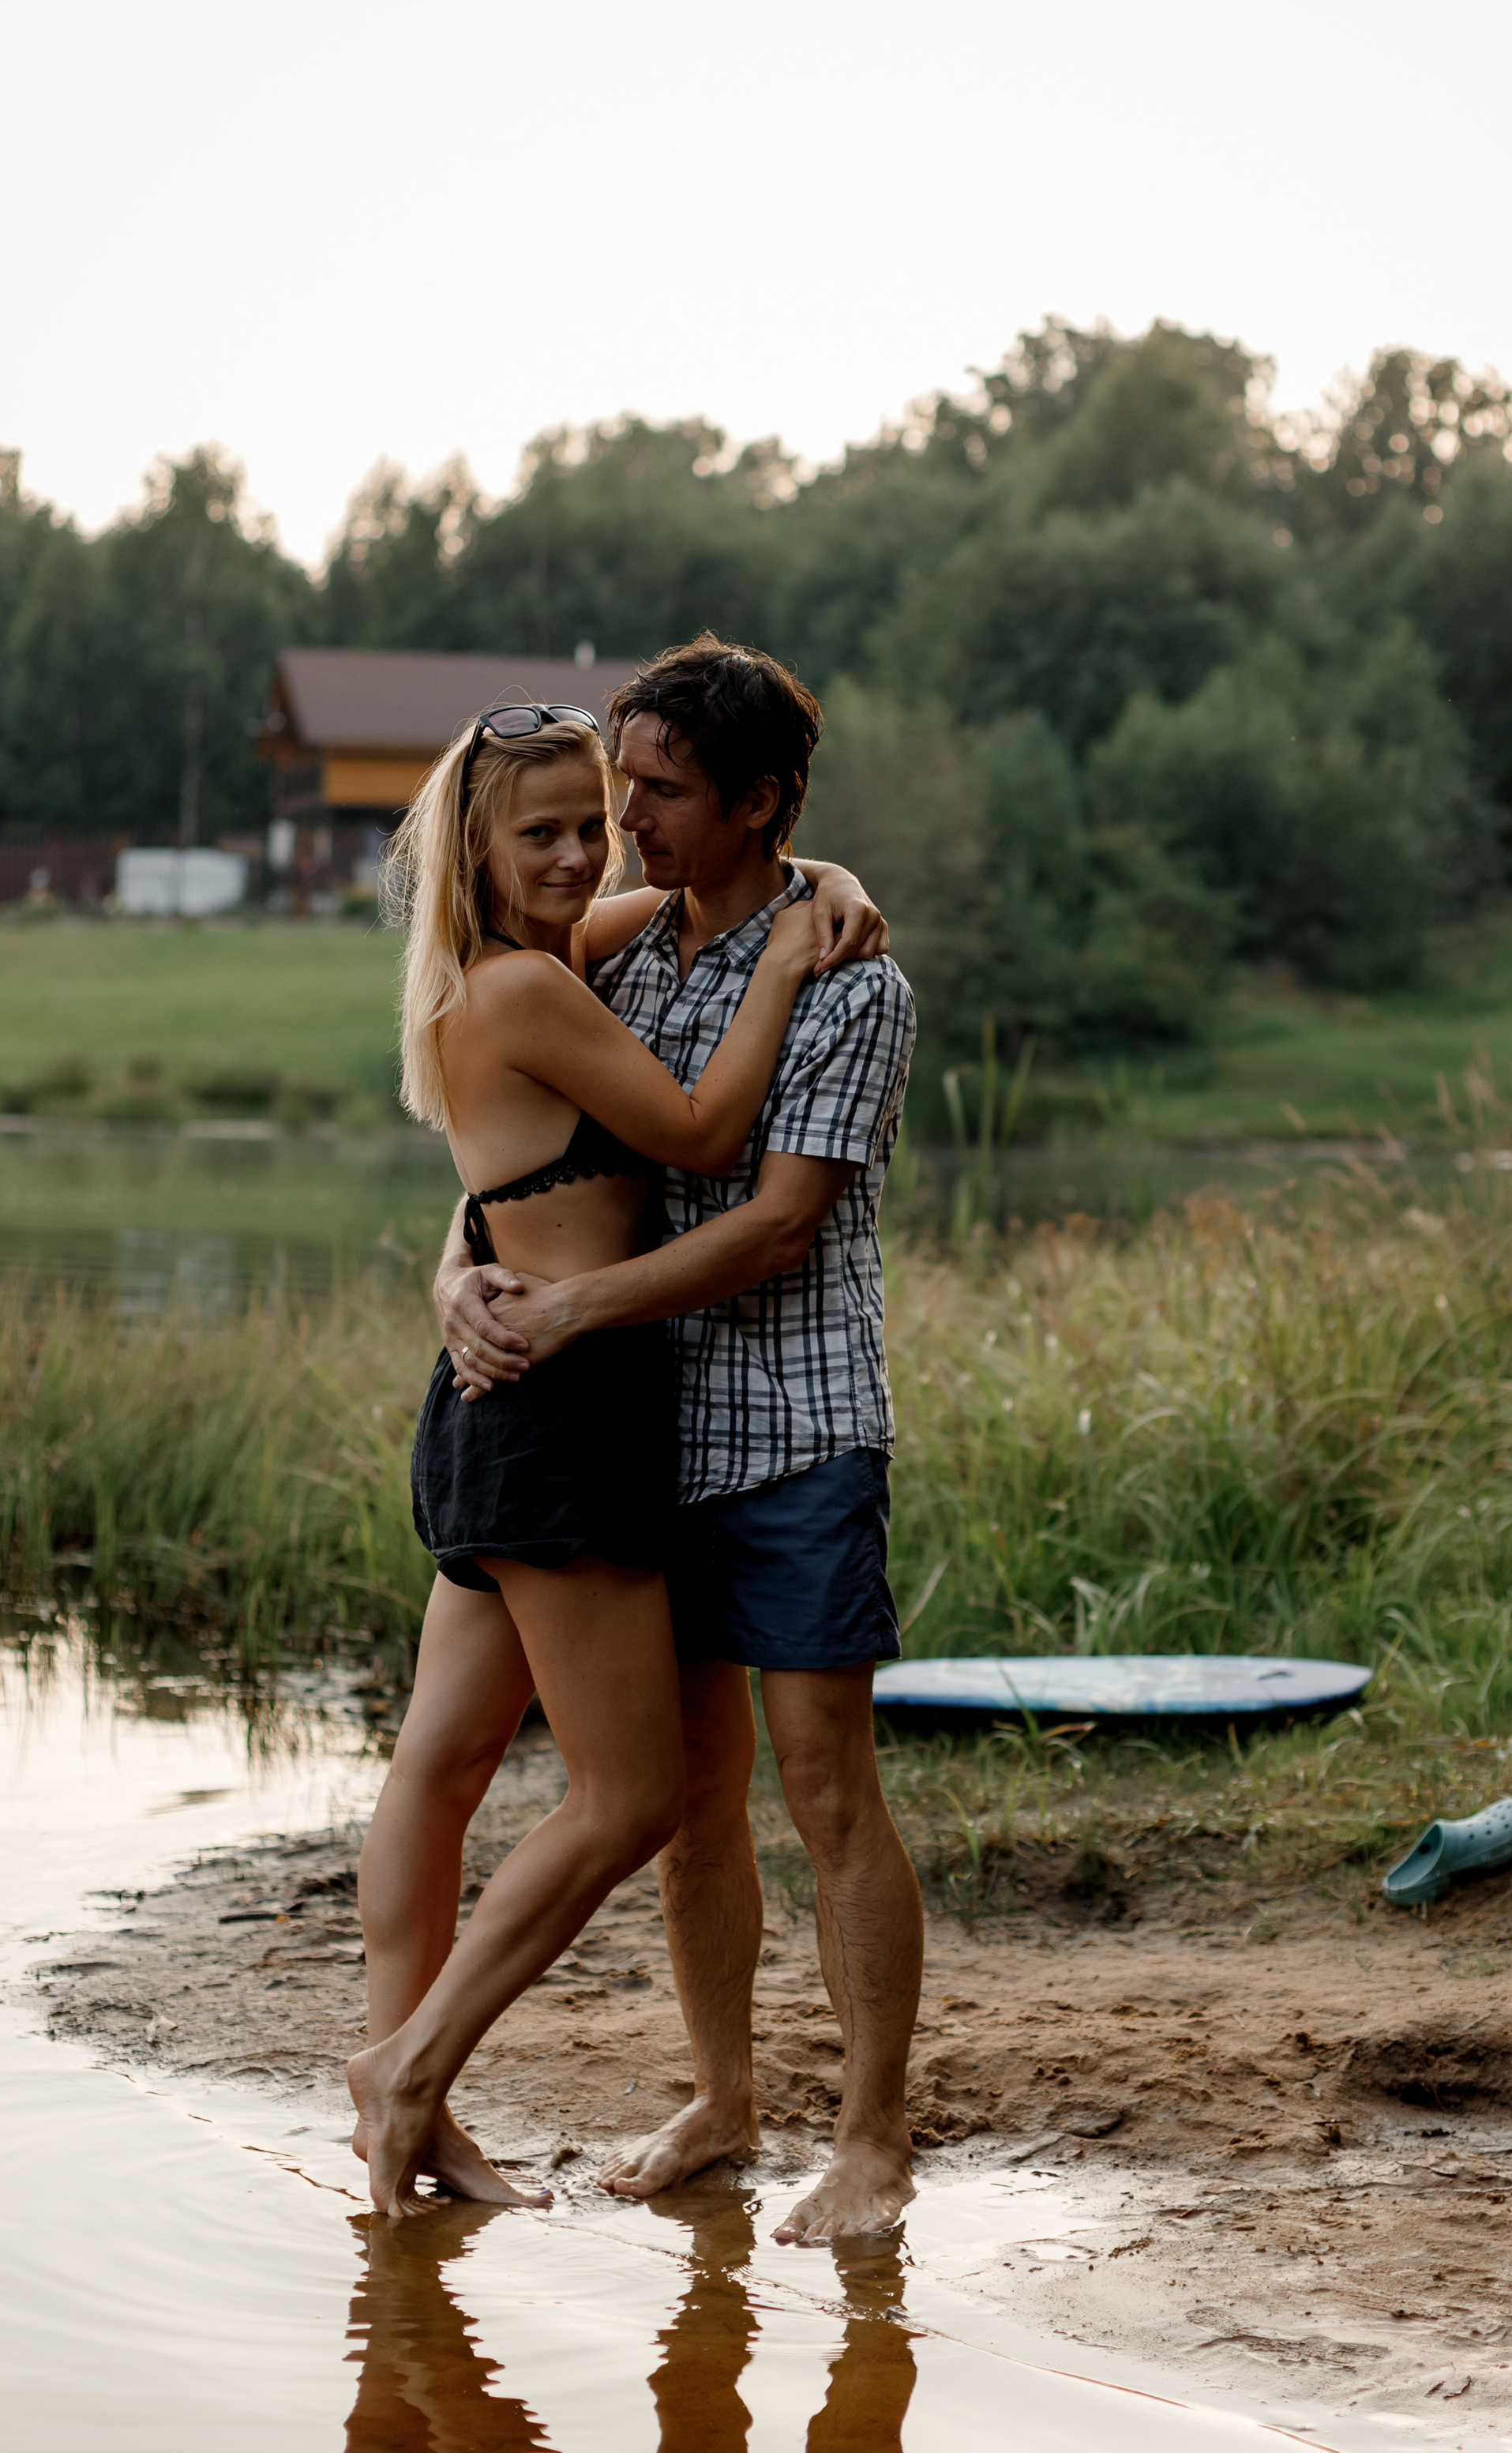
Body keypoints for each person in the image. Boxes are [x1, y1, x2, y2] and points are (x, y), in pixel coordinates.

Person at [346, 697, 884, 2221]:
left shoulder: (529, 958)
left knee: (440, 1773)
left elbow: (737, 882)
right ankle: (411, 2068)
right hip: (562, 1424)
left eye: (602, 816)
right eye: (547, 831)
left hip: (496, 1409)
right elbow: (712, 1139)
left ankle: (415, 2106)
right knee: (633, 1793)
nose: (588, 851)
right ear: (475, 845)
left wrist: (815, 883)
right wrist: (790, 956)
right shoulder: (525, 990)